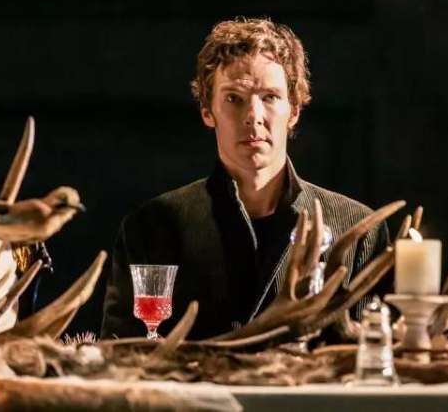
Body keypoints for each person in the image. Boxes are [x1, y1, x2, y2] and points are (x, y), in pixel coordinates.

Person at [101, 18, 389, 340]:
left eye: (270, 97)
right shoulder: (149, 227)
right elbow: (118, 356)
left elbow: (374, 358)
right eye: (234, 98)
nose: (253, 115)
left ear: (294, 110)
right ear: (207, 111)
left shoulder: (360, 231)